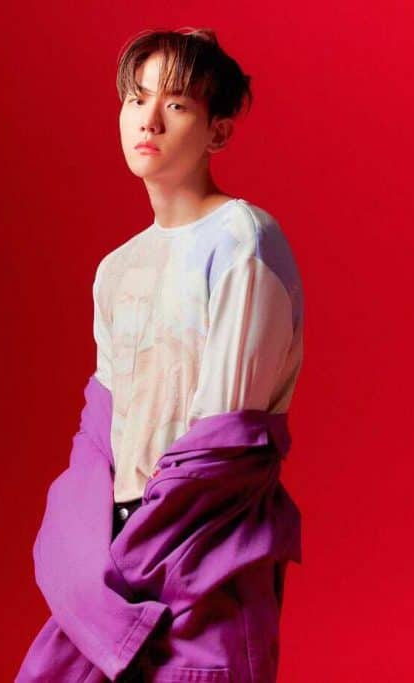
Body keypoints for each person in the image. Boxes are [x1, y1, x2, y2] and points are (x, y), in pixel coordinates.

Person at [100, 26, 304, 542]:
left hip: (206, 532)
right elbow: (104, 421)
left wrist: (151, 534)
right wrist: (86, 542)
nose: (148, 121)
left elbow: (225, 430)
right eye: (137, 98)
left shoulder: (242, 239)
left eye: (175, 105)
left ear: (218, 133)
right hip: (117, 533)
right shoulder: (117, 269)